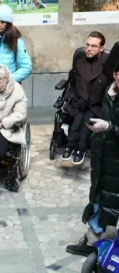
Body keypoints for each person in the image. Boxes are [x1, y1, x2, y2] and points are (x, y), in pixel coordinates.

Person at [66, 62, 119, 257]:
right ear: (115, 74)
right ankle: (91, 241)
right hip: (104, 156)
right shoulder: (109, 92)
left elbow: (110, 125)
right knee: (98, 197)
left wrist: (109, 127)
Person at [61, 31, 108, 165]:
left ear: (101, 48)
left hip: (97, 103)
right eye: (87, 45)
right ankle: (70, 145)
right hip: (80, 100)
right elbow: (72, 81)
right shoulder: (79, 62)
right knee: (78, 116)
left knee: (88, 116)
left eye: (93, 46)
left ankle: (80, 149)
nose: (88, 49)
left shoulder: (107, 64)